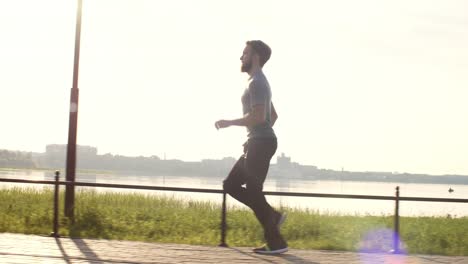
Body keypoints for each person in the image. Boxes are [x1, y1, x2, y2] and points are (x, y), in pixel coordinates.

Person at [215, 40, 288, 254]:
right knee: (231, 185)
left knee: (254, 192)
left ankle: (277, 241)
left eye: (244, 53)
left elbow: (258, 116)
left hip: (261, 143)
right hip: (258, 141)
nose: (241, 57)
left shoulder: (257, 82)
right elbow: (271, 115)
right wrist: (257, 133)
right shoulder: (258, 82)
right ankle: (273, 218)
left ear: (255, 56)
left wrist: (230, 122)